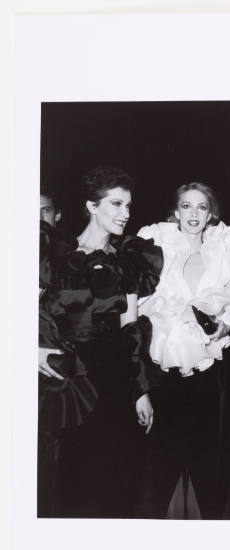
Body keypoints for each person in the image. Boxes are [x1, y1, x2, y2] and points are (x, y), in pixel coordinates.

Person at [38, 165, 164, 518]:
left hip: (116, 382)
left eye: (128, 205)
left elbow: (132, 329)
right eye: (116, 204)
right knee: (73, 484)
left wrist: (141, 390)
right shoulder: (55, 257)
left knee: (118, 484)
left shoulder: (128, 261)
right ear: (92, 206)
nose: (126, 213)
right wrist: (29, 349)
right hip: (71, 381)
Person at [137, 182, 230, 519]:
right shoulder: (156, 246)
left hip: (208, 370)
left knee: (205, 457)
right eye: (187, 206)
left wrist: (226, 325)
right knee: (167, 456)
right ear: (176, 211)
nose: (194, 214)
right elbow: (139, 304)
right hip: (164, 369)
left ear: (210, 213)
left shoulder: (222, 248)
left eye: (202, 207)